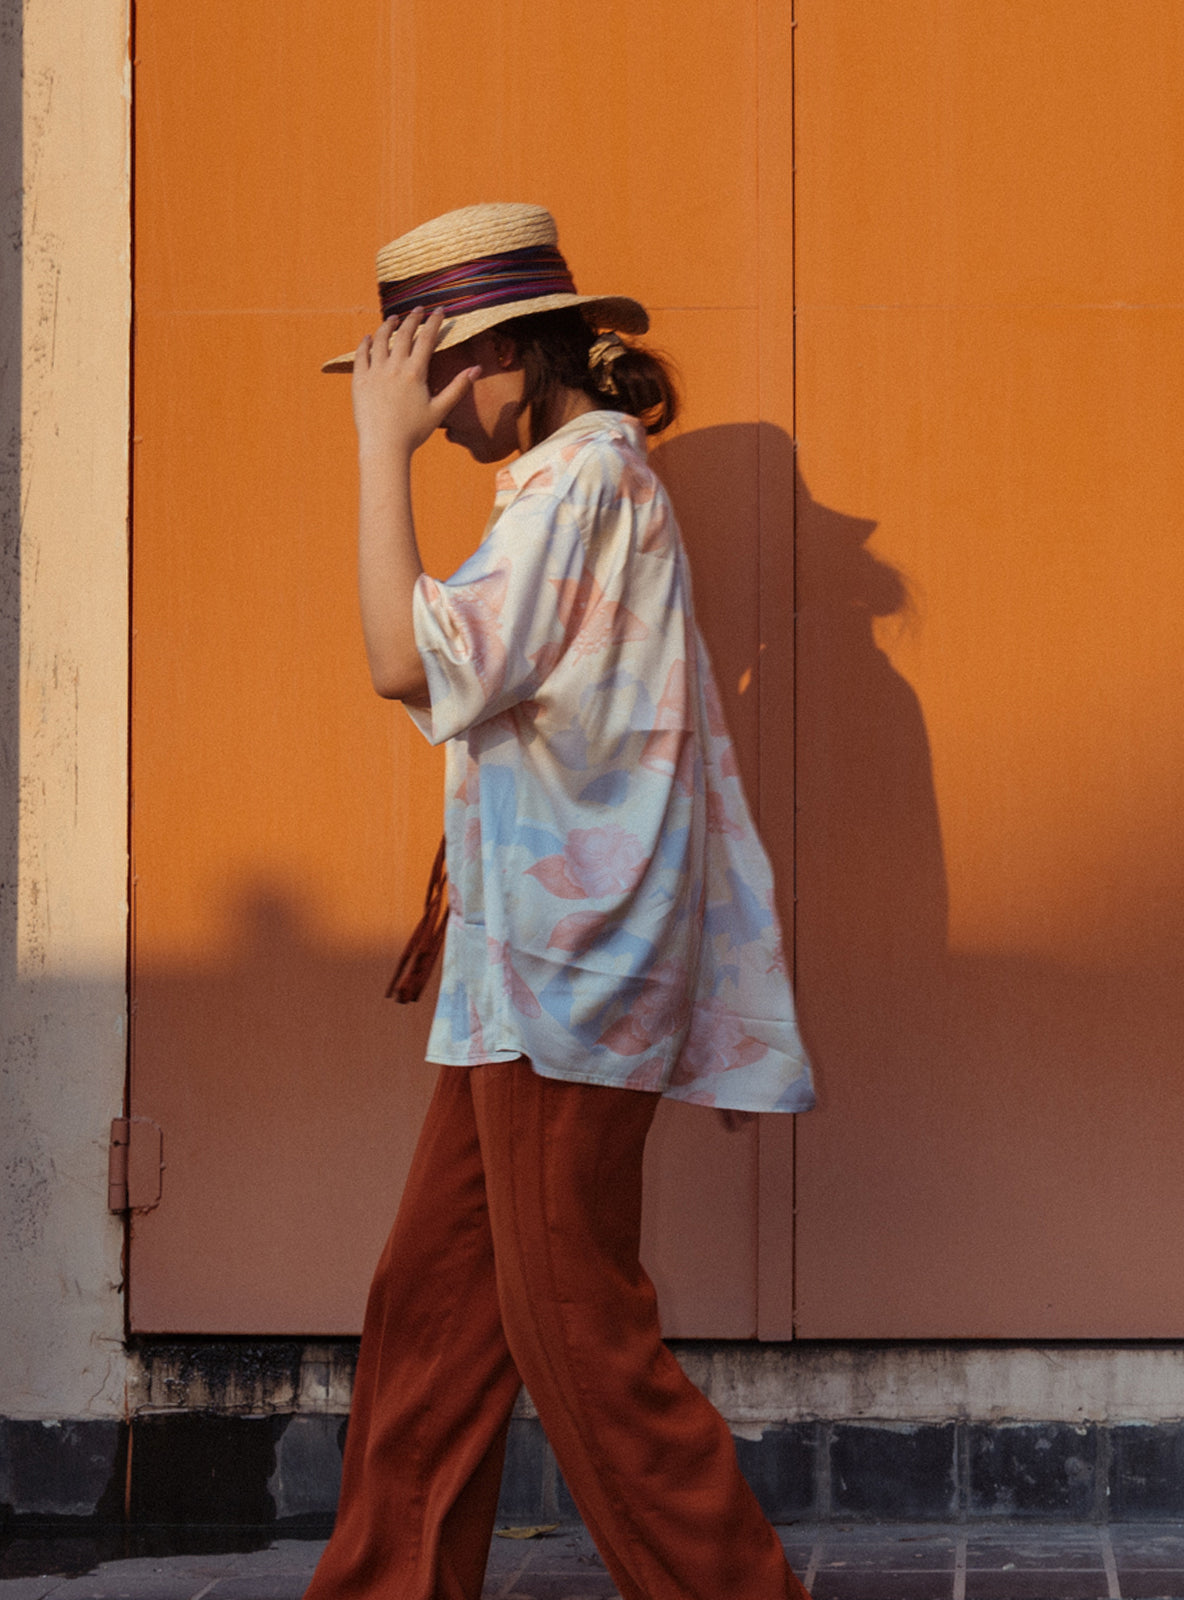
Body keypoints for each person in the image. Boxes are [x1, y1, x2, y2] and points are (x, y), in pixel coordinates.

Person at [306, 202, 816, 1600]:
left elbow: (404, 665)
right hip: (515, 972)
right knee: (433, 1324)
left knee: (583, 1338)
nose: (431, 411)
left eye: (440, 377)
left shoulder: (588, 481)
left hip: (564, 977)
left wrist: (375, 452)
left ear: (520, 355)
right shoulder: (562, 489)